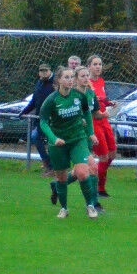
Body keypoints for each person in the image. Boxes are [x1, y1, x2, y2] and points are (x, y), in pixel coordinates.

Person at [40, 66, 99, 219]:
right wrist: (54, 139)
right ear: (59, 80)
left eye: (72, 77)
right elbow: (43, 122)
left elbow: (87, 113)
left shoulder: (79, 96)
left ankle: (90, 206)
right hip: (58, 143)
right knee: (61, 178)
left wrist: (91, 133)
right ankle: (64, 209)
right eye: (66, 77)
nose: (70, 80)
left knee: (83, 173)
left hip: (78, 139)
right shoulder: (52, 100)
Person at [88, 55, 118, 197]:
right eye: (95, 64)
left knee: (113, 153)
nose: (98, 67)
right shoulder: (87, 84)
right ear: (89, 66)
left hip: (105, 120)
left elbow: (102, 99)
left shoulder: (101, 81)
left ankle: (96, 179)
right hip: (95, 121)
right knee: (104, 156)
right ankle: (99, 188)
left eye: (100, 64)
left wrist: (109, 103)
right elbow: (89, 104)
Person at [19, 63, 55, 177]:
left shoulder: (55, 83)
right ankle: (47, 163)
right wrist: (24, 111)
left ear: (50, 71)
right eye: (41, 71)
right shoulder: (39, 83)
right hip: (41, 119)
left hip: (52, 120)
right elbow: (34, 101)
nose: (43, 73)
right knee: (35, 137)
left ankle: (53, 168)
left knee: (52, 142)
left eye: (46, 71)